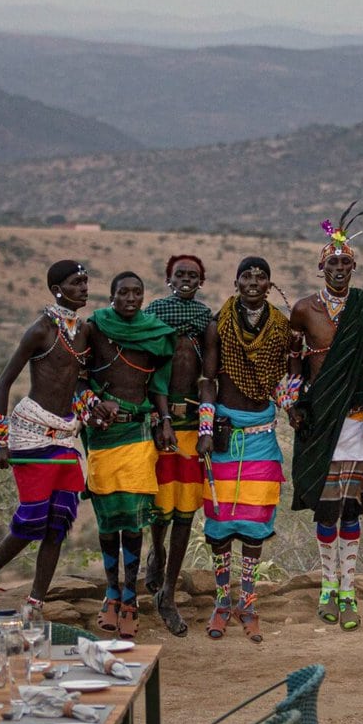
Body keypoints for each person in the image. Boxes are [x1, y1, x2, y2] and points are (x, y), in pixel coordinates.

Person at [0, 260, 103, 610]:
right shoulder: (41, 330)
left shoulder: (85, 332)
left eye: (86, 282)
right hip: (30, 433)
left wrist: (92, 406)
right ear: (57, 289)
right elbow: (3, 383)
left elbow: (80, 382)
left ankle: (36, 602)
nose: (84, 289)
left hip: (64, 434)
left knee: (58, 521)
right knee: (33, 519)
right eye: (76, 283)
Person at [288, 207, 363, 631]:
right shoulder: (303, 311)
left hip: (355, 421)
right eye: (333, 262)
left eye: (347, 262)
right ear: (320, 266)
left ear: (354, 266)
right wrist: (291, 403)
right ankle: (327, 588)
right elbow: (291, 366)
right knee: (325, 511)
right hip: (318, 422)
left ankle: (348, 591)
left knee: (350, 510)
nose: (340, 269)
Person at [198, 257, 297, 643]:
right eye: (247, 276)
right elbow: (208, 379)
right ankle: (223, 602)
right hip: (222, 436)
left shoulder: (281, 328)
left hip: (261, 438)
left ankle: (249, 603)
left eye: (261, 276)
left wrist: (296, 407)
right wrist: (206, 427)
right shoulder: (218, 325)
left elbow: (286, 381)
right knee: (220, 526)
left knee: (255, 527)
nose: (254, 282)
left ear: (270, 283)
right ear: (237, 281)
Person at [83, 271, 175, 638]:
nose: (131, 298)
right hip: (102, 433)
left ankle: (131, 598)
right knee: (107, 518)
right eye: (123, 292)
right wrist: (94, 401)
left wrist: (165, 420)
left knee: (134, 519)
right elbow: (79, 372)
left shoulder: (154, 332)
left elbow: (159, 384)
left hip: (138, 430)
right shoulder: (95, 327)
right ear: (111, 296)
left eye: (137, 292)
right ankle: (111, 592)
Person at [145, 253, 214, 636]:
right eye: (179, 274)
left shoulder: (205, 319)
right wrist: (162, 419)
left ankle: (168, 594)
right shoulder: (154, 314)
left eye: (193, 275)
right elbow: (149, 368)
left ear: (201, 281)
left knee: (187, 510)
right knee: (160, 503)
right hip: (161, 423)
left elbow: (208, 375)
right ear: (168, 278)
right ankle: (156, 551)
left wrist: (205, 427)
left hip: (191, 425)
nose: (186, 279)